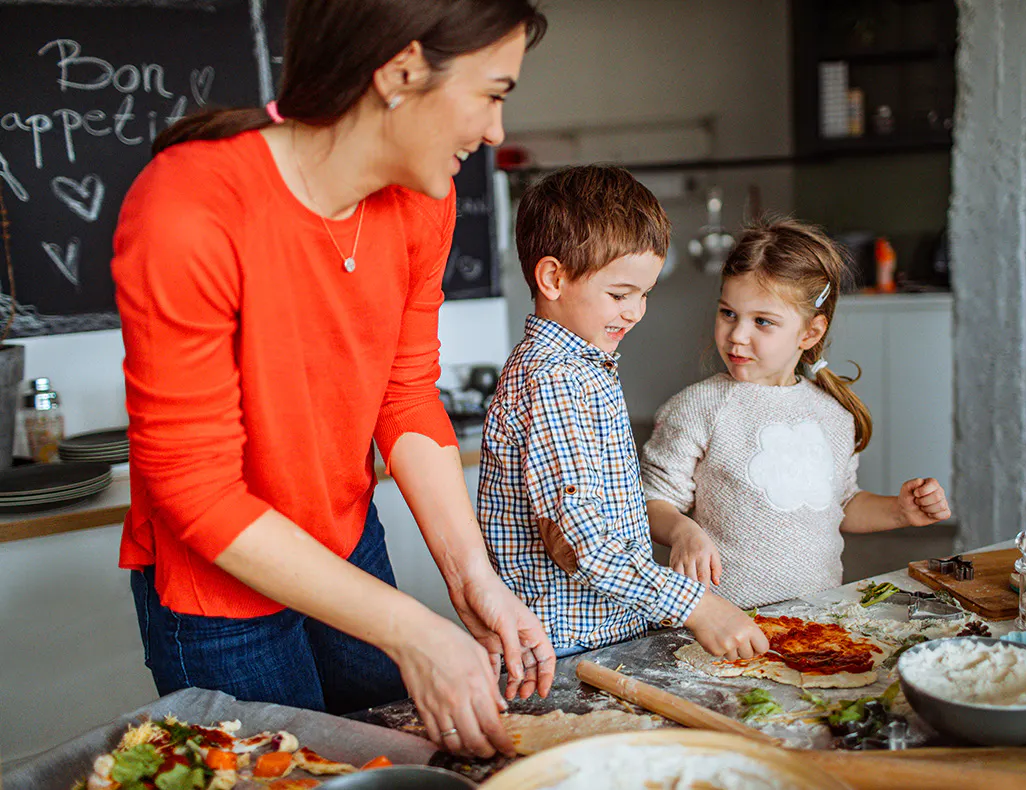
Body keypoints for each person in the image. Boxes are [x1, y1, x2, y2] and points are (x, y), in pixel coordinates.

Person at [112, 0, 552, 759]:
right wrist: (413, 631)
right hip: (217, 593)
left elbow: (406, 391)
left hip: (348, 544)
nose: (495, 133)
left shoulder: (424, 200)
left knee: (399, 757)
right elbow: (196, 490)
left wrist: (472, 575)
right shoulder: (188, 207)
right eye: (493, 92)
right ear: (402, 72)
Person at [476, 165, 769, 659]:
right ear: (553, 277)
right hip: (566, 647)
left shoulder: (583, 365)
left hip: (602, 631)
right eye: (619, 295)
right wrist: (698, 607)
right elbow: (583, 541)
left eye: (644, 295)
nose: (636, 312)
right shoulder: (554, 380)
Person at [642, 219, 952, 609]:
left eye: (762, 321)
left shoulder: (832, 415)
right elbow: (653, 502)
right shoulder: (699, 407)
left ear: (810, 333)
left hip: (816, 618)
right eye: (728, 313)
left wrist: (899, 511)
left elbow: (840, 505)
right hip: (722, 623)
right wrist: (683, 530)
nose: (737, 334)